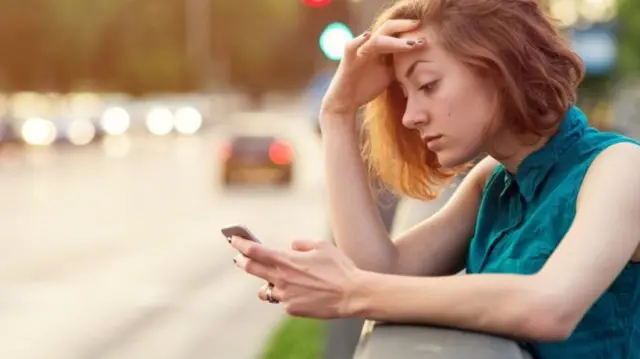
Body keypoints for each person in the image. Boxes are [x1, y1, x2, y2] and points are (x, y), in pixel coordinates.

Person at [229, 0, 640, 358]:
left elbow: (550, 306)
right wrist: (336, 113)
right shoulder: (493, 181)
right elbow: (381, 269)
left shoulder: (620, 166)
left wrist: (349, 291)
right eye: (406, 95)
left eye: (428, 85)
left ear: (498, 65)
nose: (410, 117)